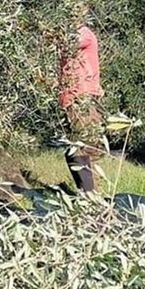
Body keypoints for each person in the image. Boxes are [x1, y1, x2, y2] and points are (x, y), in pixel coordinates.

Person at [59, 15, 105, 193]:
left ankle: (92, 196)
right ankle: (87, 194)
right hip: (71, 99)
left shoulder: (84, 34)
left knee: (84, 149)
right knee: (75, 149)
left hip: (82, 98)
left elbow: (67, 43)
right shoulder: (75, 34)